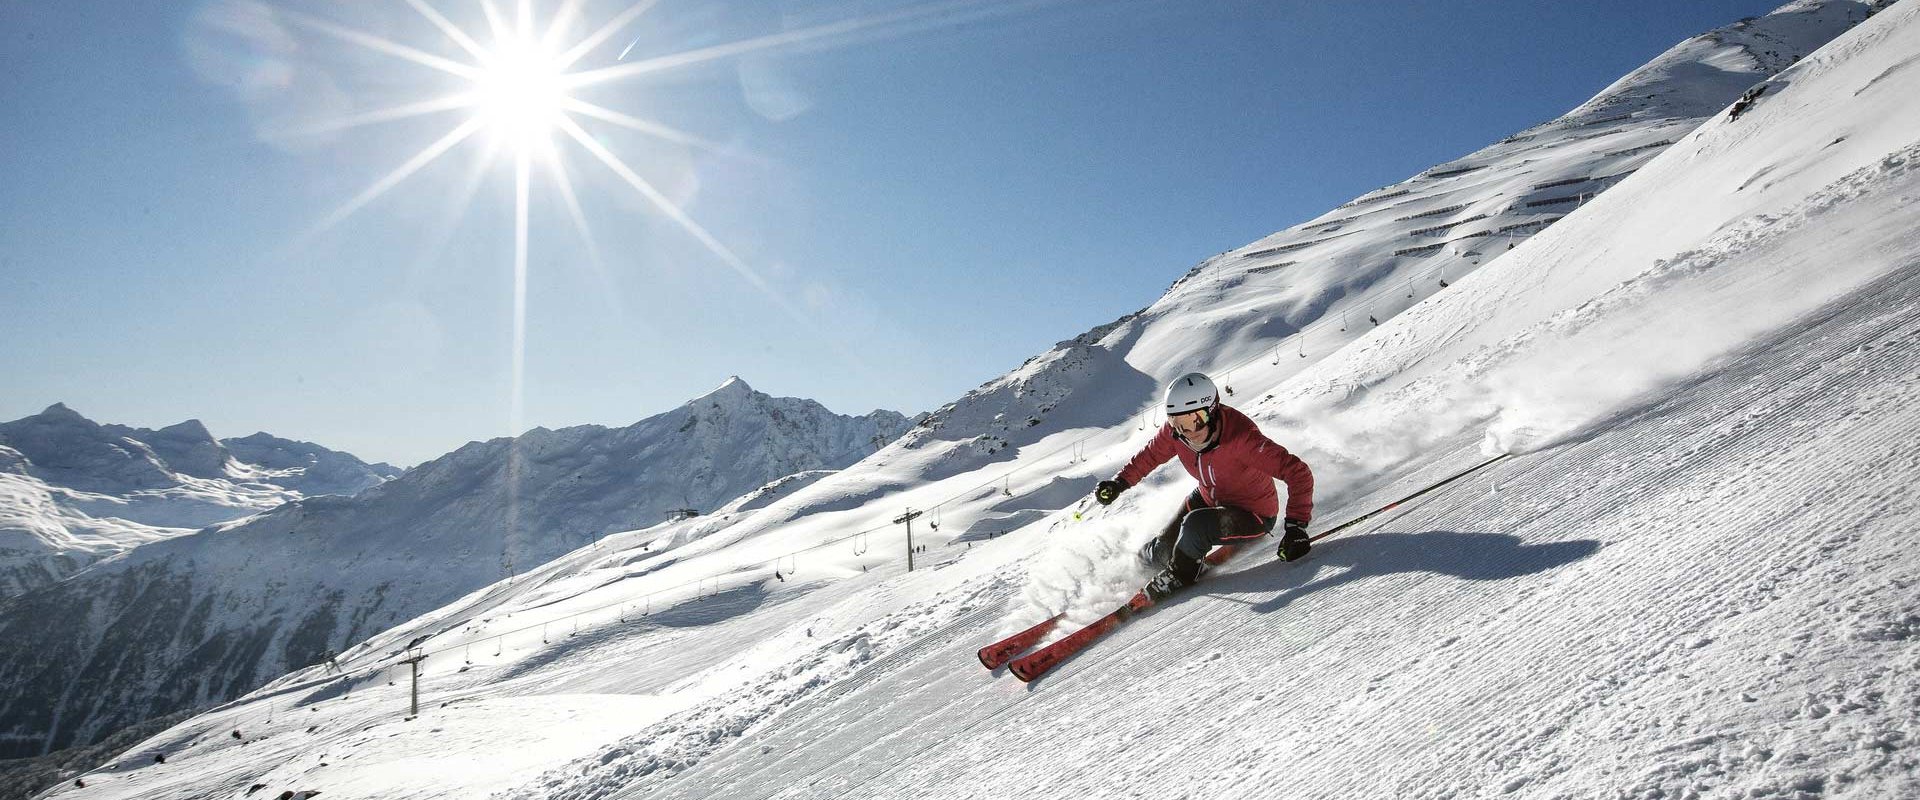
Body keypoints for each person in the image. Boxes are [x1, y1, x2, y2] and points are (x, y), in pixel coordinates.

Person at [1094, 372, 1315, 601]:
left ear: (1212, 410)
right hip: (1209, 498)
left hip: (1252, 514)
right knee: (1163, 549)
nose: (1189, 431)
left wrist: (1296, 527)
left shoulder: (1242, 439)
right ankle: (1138, 565)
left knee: (1195, 526)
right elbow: (1149, 456)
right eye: (1178, 423)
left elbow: (1298, 473)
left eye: (1195, 419)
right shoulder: (1176, 435)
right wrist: (1120, 482)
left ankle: (1180, 574)